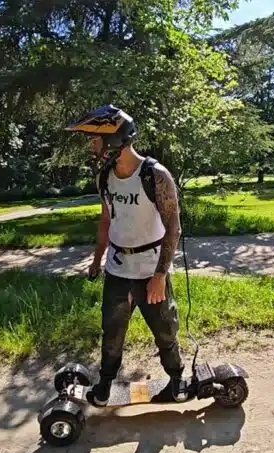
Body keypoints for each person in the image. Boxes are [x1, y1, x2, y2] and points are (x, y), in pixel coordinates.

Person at [65, 105, 187, 404]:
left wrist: (159, 275)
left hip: (150, 271)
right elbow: (107, 220)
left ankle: (176, 378)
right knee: (112, 332)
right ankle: (106, 384)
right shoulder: (105, 177)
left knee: (165, 330)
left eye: (96, 138)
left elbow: (174, 228)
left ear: (114, 140)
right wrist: (96, 261)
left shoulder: (155, 175)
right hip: (118, 269)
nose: (92, 145)